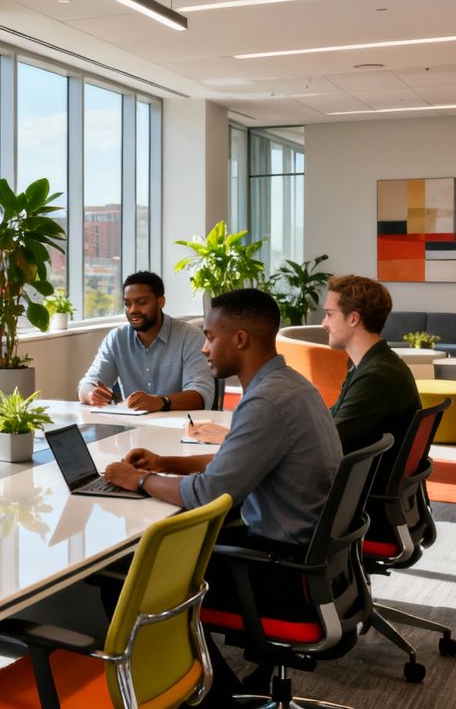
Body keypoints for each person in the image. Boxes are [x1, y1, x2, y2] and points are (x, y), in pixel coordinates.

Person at [103, 288, 342, 705]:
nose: (203, 347)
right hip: (308, 559)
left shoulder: (267, 400)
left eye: (210, 337)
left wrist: (137, 482)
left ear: (241, 339)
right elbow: (240, 459)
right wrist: (165, 462)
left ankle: (212, 698)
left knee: (130, 579)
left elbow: (209, 493)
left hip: (282, 572)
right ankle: (221, 688)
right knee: (157, 558)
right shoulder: (289, 385)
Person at [77, 271, 214, 412]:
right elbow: (86, 384)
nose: (132, 310)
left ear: (161, 301)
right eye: (127, 304)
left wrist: (161, 402)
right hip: (132, 428)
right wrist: (90, 394)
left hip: (182, 428)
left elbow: (201, 396)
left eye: (141, 302)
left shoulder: (190, 336)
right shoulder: (117, 338)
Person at [321, 274, 421, 453]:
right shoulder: (375, 364)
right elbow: (332, 420)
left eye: (329, 314)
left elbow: (331, 444)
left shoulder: (376, 377)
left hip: (360, 479)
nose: (324, 323)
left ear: (353, 318)